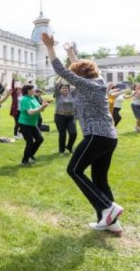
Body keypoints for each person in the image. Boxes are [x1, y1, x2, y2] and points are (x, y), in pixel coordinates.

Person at [43, 33, 124, 235]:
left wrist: (50, 47)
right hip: (108, 137)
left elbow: (61, 70)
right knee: (99, 179)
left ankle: (108, 207)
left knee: (74, 170)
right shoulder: (97, 82)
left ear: (80, 76)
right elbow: (79, 69)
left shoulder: (87, 85)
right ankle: (110, 223)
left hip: (96, 136)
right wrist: (71, 52)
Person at [18, 84, 48, 165]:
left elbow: (40, 110)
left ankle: (31, 154)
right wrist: (41, 107)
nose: (34, 90)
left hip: (32, 123)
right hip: (25, 123)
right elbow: (30, 112)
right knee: (30, 142)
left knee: (40, 139)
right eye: (33, 89)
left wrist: (43, 106)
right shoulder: (25, 99)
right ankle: (25, 160)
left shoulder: (33, 98)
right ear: (28, 90)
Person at [53, 81, 77, 154]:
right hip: (60, 116)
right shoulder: (58, 95)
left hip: (71, 116)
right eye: (63, 88)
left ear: (69, 89)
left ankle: (69, 146)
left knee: (73, 133)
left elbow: (78, 86)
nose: (64, 89)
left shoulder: (72, 94)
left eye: (66, 88)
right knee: (62, 134)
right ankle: (61, 150)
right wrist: (61, 75)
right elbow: (56, 84)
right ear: (60, 89)